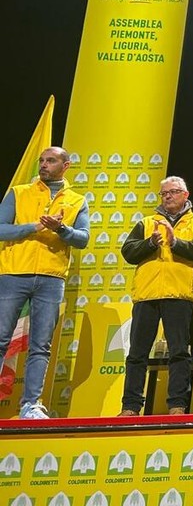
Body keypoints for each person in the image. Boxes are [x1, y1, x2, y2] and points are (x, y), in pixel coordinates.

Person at [0, 147, 90, 420]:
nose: (44, 165)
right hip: (14, 273)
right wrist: (34, 227)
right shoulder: (19, 192)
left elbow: (83, 239)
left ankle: (30, 405)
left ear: (66, 165)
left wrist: (60, 229)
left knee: (41, 345)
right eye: (42, 160)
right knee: (1, 339)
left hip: (51, 278)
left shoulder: (77, 200)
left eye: (50, 161)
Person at [119, 176, 193, 416]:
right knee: (137, 354)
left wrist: (175, 242)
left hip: (178, 294)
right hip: (146, 295)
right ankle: (130, 406)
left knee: (179, 352)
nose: (168, 196)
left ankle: (177, 405)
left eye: (173, 192)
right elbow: (128, 252)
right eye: (164, 193)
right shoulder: (146, 222)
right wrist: (151, 243)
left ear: (185, 194)